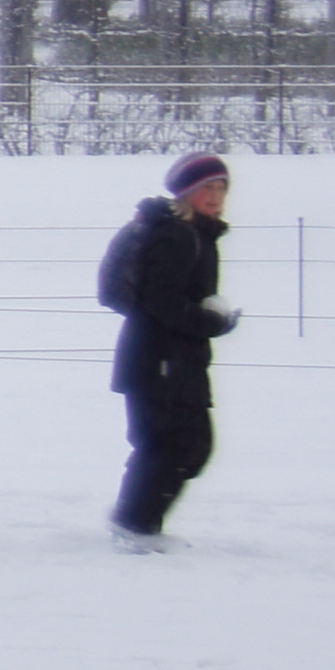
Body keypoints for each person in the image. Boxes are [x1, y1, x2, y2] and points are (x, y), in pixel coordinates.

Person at [102, 153, 238, 544]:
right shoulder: (177, 235)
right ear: (186, 192)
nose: (215, 196)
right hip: (159, 362)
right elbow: (158, 300)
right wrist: (211, 322)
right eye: (206, 188)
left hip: (174, 361)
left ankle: (135, 524)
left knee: (186, 447)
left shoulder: (197, 234)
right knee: (174, 446)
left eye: (221, 188)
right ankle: (135, 527)